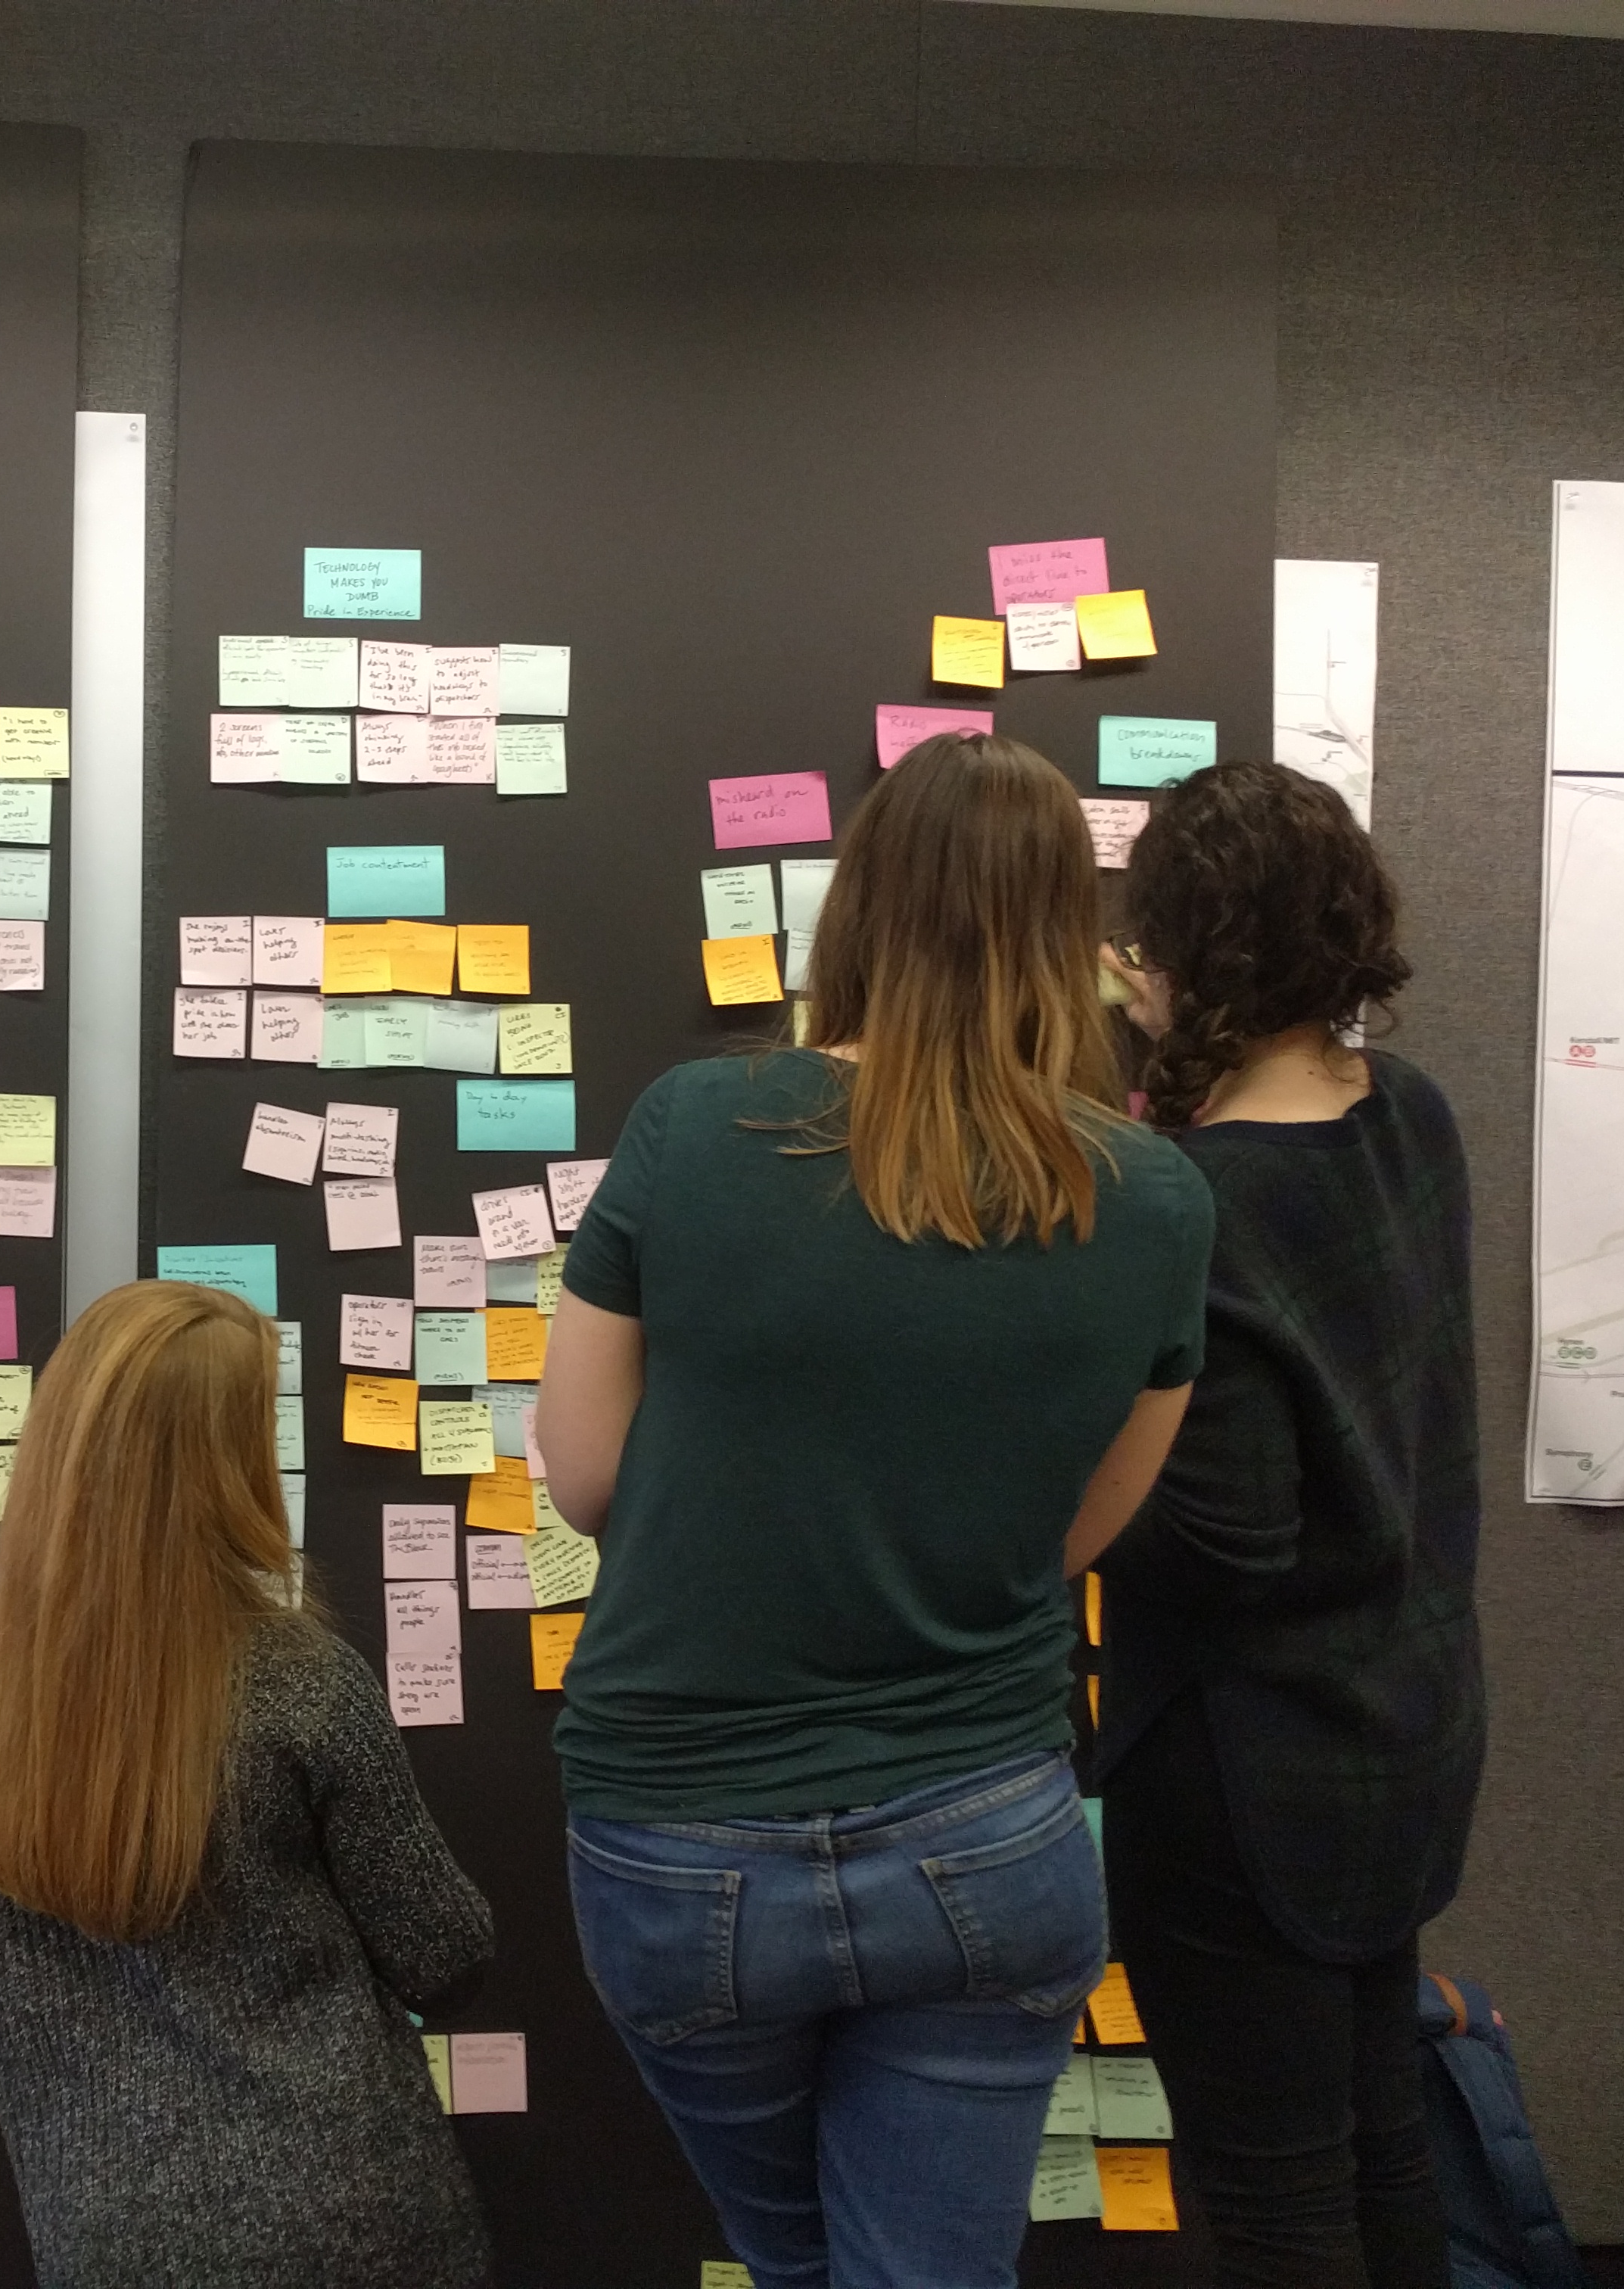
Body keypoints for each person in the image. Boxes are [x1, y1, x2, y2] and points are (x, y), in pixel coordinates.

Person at [534, 732, 1215, 2289]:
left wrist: (753, 1486)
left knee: (795, 2265)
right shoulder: (1157, 1197)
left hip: (680, 1837)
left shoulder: (698, 1124)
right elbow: (1073, 1531)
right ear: (1070, 933)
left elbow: (579, 1473)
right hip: (984, 1832)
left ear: (854, 909)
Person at [0, 1279, 496, 2289]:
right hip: (349, 2224)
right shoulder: (298, 1679)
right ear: (227, 1466)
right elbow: (444, 1955)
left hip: (104, 2239)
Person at [1096, 758, 1483, 2289]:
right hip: (1406, 1729)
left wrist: (1053, 1492)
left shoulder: (1198, 1196)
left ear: (1186, 948)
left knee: (1272, 2199)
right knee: (1380, 2136)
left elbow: (1220, 1539)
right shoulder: (1414, 1114)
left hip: (1250, 1777)